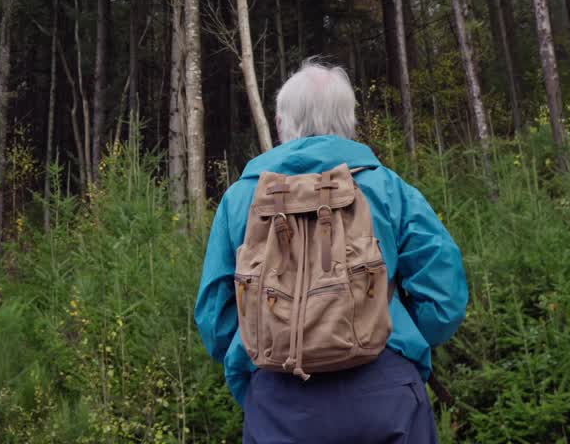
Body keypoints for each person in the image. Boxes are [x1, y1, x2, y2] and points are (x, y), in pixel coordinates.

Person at [195, 58, 468, 444]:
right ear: (349, 122)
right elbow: (445, 299)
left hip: (278, 398)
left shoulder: (241, 198)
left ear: (280, 124)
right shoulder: (388, 188)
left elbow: (214, 318)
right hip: (385, 390)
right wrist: (391, 337)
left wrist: (259, 354)